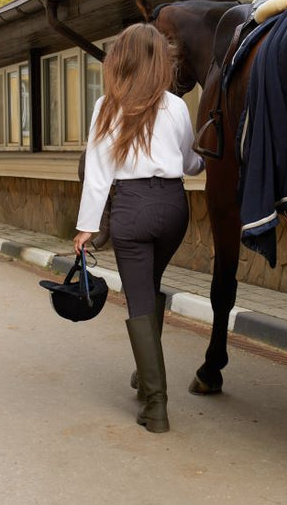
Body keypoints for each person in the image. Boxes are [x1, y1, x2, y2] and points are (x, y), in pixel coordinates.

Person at [73, 22, 204, 434]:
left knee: (139, 299)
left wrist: (86, 229)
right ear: (160, 62)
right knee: (149, 287)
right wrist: (204, 163)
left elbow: (98, 174)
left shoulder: (107, 107)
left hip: (132, 209)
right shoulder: (177, 106)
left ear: (121, 60)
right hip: (172, 208)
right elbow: (189, 162)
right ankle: (145, 374)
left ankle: (156, 405)